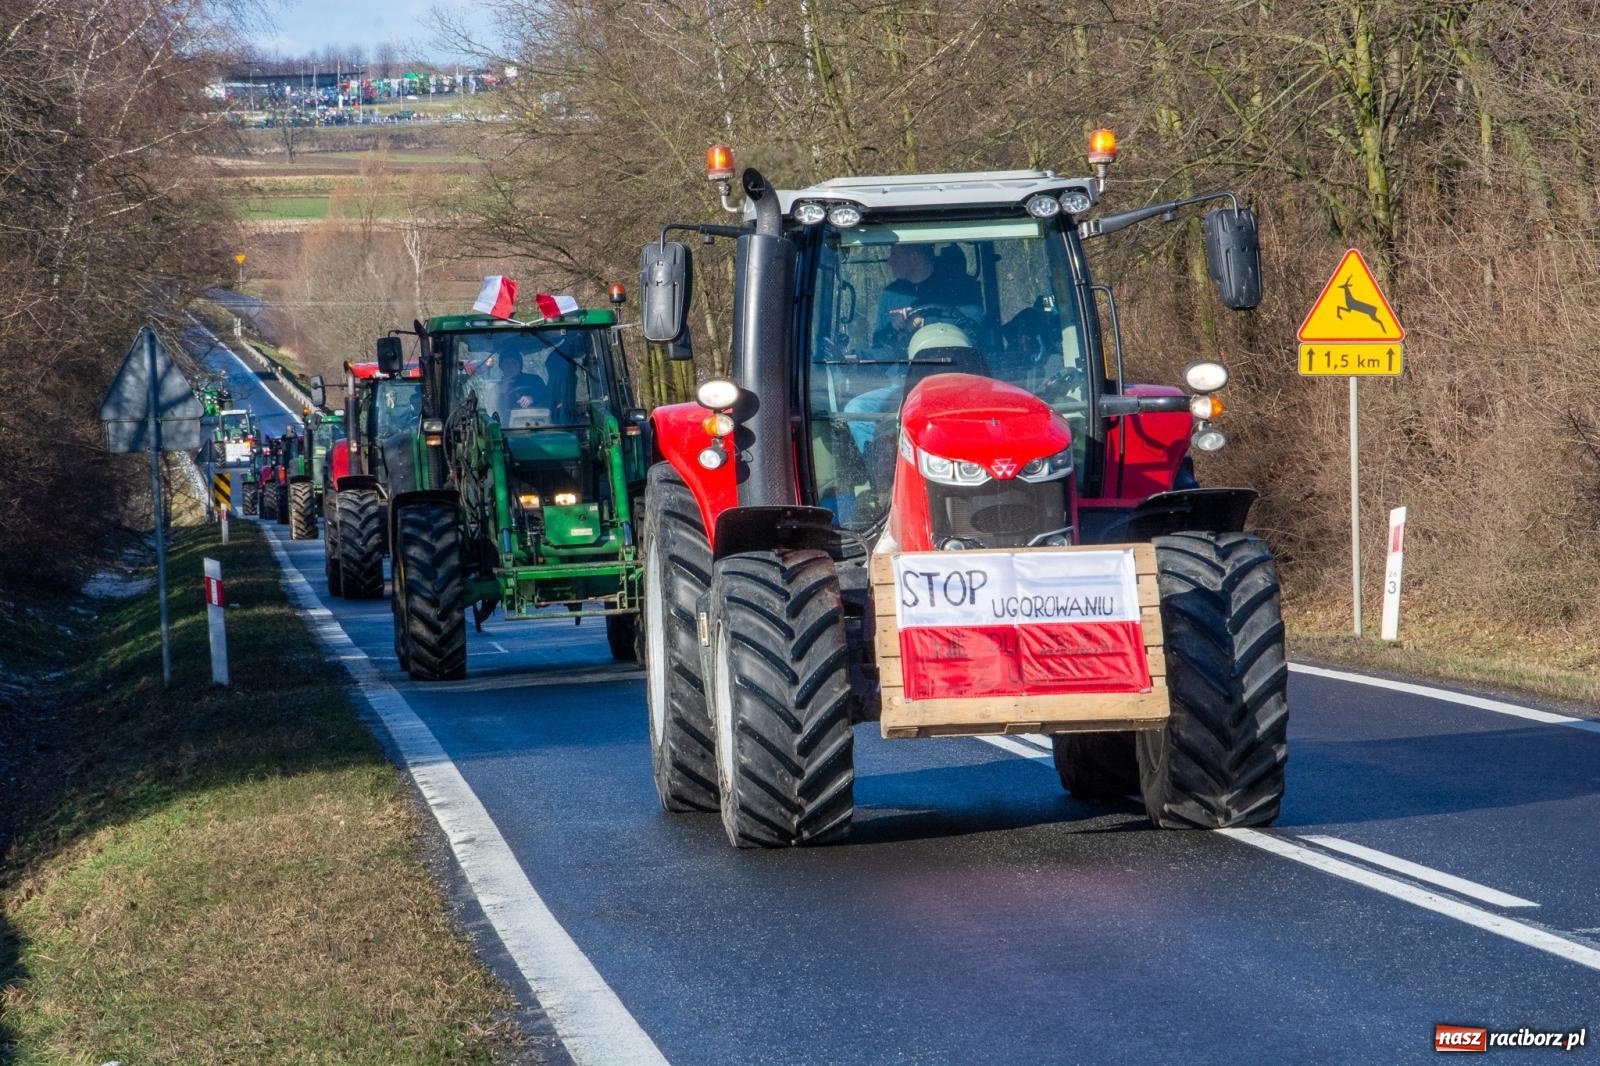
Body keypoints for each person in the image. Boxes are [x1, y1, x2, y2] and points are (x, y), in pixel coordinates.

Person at [872, 243, 982, 349]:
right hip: (904, 365)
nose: (889, 261)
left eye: (895, 255)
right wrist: (894, 326)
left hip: (957, 361)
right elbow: (879, 344)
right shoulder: (892, 293)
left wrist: (925, 323)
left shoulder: (961, 287)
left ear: (914, 258)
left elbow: (973, 328)